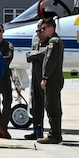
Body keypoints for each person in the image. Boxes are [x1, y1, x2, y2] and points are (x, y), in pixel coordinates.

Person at [31, 16, 66, 144]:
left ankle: (54, 135)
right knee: (51, 105)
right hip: (53, 78)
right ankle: (54, 133)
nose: (42, 31)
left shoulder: (53, 42)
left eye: (44, 28)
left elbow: (49, 61)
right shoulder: (54, 41)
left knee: (52, 106)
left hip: (52, 79)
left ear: (51, 28)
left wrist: (45, 77)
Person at [0, 20, 17, 139]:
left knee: (7, 102)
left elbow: (8, 59)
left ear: (3, 31)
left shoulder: (8, 45)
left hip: (4, 78)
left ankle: (3, 126)